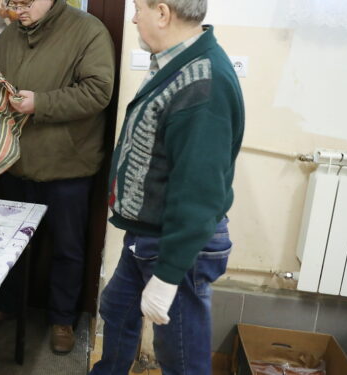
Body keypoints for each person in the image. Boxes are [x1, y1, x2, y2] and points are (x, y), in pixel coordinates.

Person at [90, 0, 245, 373]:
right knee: (117, 308)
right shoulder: (177, 63)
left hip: (177, 245)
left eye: (138, 9)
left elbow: (200, 193)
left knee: (180, 354)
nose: (134, 18)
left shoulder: (203, 82)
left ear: (162, 13)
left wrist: (168, 275)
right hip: (148, 237)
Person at [0, 0, 116, 354]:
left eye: (24, 3)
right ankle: (6, 306)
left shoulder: (88, 30)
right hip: (13, 163)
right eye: (12, 3)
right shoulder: (11, 34)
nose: (16, 10)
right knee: (8, 245)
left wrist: (41, 104)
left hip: (67, 166)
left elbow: (99, 91)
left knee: (67, 249)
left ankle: (62, 320)